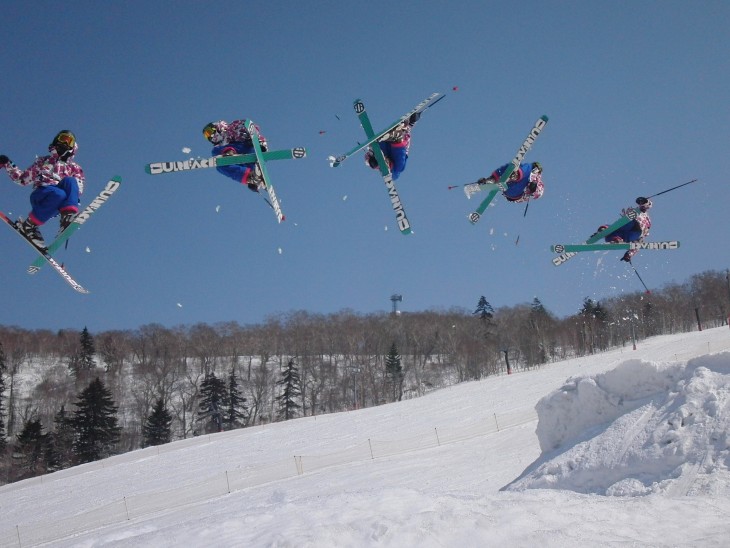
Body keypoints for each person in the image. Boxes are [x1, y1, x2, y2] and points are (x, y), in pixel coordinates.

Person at [0, 130, 85, 251]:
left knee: (70, 182)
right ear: (57, 140)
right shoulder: (43, 161)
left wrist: (72, 201)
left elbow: (78, 188)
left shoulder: (75, 168)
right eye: (63, 138)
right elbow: (22, 179)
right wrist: (7, 163)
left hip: (58, 205)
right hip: (42, 194)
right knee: (58, 193)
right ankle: (29, 225)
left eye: (69, 141)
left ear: (73, 147)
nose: (65, 143)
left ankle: (67, 217)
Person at [203, 120, 269, 192]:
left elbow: (248, 125)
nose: (210, 137)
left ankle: (229, 152)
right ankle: (252, 177)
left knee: (215, 151)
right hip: (248, 161)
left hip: (249, 147)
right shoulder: (221, 144)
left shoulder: (230, 130)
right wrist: (249, 181)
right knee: (220, 165)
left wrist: (248, 135)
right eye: (207, 136)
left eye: (209, 132)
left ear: (217, 127)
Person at [364, 112, 420, 180]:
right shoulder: (398, 166)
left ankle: (392, 135)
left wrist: (371, 158)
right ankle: (396, 135)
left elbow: (373, 162)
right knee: (399, 164)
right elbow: (402, 147)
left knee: (381, 156)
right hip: (398, 143)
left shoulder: (384, 159)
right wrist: (411, 122)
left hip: (386, 144)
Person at [595, 197, 652, 262]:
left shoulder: (642, 214)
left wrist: (645, 202)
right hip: (631, 233)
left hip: (634, 226)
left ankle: (605, 229)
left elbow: (645, 206)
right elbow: (637, 245)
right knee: (608, 238)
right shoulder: (635, 211)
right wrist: (628, 255)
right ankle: (616, 239)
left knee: (618, 228)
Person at [476, 161, 544, 203]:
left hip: (516, 193)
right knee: (510, 166)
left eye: (535, 168)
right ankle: (492, 179)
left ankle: (516, 175)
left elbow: (538, 193)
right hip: (510, 188)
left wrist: (533, 187)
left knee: (527, 167)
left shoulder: (537, 178)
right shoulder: (527, 170)